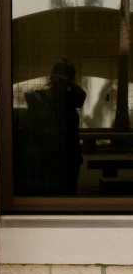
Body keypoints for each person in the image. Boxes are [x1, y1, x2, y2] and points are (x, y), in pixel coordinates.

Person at [24, 58, 86, 195]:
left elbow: (81, 98)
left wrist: (67, 82)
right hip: (50, 154)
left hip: (70, 154)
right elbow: (30, 126)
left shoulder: (70, 98)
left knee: (69, 190)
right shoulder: (39, 98)